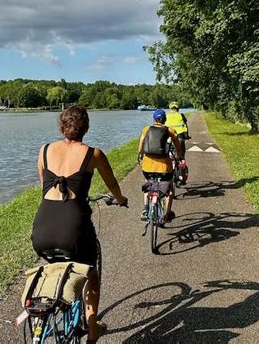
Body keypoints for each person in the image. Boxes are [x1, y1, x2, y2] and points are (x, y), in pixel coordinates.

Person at [31, 105, 128, 343]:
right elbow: (112, 184)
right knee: (90, 272)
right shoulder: (93, 154)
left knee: (56, 265)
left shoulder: (44, 150)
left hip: (42, 229)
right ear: (86, 127)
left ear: (62, 125)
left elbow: (45, 184)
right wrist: (120, 199)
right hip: (74, 229)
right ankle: (92, 327)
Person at [138, 108, 183, 222]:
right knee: (169, 188)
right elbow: (178, 147)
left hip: (147, 167)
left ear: (154, 119)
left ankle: (145, 208)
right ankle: (167, 213)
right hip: (164, 168)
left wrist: (140, 156)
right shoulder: (170, 131)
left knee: (148, 183)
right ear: (165, 120)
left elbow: (141, 145)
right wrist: (180, 157)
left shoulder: (146, 129)